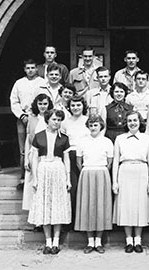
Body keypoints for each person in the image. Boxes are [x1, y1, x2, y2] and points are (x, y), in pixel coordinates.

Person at [28, 109, 71, 255]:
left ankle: (56, 242)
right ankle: (47, 241)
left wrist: (68, 178)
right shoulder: (39, 136)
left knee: (57, 205)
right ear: (47, 120)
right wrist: (35, 178)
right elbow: (34, 158)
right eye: (54, 119)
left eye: (59, 120)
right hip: (43, 169)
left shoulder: (64, 138)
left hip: (58, 170)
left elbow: (66, 159)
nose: (57, 122)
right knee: (45, 205)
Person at [112, 111, 149, 253]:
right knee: (126, 206)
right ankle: (129, 240)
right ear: (126, 123)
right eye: (129, 121)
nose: (132, 123)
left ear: (140, 121)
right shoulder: (120, 139)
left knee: (140, 206)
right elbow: (116, 161)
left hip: (142, 171)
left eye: (135, 120)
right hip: (125, 171)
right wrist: (115, 182)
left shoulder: (146, 139)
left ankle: (138, 240)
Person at [75, 115, 113, 254]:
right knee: (88, 206)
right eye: (91, 125)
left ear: (101, 126)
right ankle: (90, 242)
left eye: (96, 125)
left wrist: (100, 171)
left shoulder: (107, 142)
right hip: (87, 172)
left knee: (101, 207)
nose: (93, 127)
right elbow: (78, 162)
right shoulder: (82, 141)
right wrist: (88, 171)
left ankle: (99, 241)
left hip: (102, 172)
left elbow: (110, 161)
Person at [10, 59, 44, 189]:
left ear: (37, 69)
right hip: (23, 118)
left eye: (33, 68)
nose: (30, 70)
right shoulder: (19, 83)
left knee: (37, 146)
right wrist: (22, 115)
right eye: (28, 68)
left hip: (37, 117)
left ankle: (37, 176)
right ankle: (23, 177)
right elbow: (14, 101)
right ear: (24, 69)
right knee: (23, 149)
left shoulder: (42, 82)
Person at [61, 96, 90, 227]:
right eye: (73, 105)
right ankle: (71, 221)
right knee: (73, 188)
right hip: (71, 156)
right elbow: (62, 141)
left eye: (78, 105)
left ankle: (85, 220)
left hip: (86, 156)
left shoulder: (88, 120)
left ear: (83, 106)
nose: (76, 108)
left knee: (85, 188)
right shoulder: (65, 122)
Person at [23, 93, 53, 212]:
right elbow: (28, 139)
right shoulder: (32, 119)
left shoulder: (51, 118)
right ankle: (35, 216)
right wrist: (26, 158)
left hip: (47, 155)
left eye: (45, 104)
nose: (42, 106)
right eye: (40, 104)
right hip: (34, 154)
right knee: (33, 185)